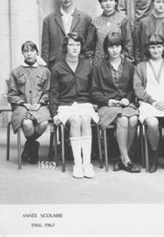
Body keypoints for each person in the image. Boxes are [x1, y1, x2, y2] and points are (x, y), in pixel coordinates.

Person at [50, 32, 98, 179]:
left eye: (77, 44)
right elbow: (53, 93)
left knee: (85, 119)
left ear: (81, 47)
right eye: (71, 44)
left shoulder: (87, 65)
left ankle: (87, 164)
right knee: (76, 121)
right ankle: (78, 164)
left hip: (84, 104)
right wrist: (54, 113)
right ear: (66, 46)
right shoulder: (57, 67)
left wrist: (96, 105)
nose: (75, 48)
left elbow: (93, 89)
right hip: (65, 106)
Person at [91, 32, 141, 173]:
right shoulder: (99, 67)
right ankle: (126, 160)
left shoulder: (130, 66)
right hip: (107, 106)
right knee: (123, 120)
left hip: (125, 104)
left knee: (134, 119)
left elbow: (133, 88)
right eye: (111, 46)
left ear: (122, 47)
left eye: (117, 46)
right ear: (106, 48)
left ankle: (121, 157)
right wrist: (108, 101)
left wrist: (128, 99)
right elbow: (94, 92)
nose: (114, 50)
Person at [134, 34, 164, 173]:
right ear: (148, 49)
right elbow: (138, 88)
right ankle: (154, 155)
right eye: (152, 47)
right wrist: (152, 102)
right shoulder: (141, 67)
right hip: (149, 103)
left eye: (158, 47)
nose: (155, 50)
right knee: (153, 123)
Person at [7, 41, 51, 164]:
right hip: (22, 106)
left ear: (37, 52)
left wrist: (41, 103)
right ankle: (33, 146)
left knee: (43, 124)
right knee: (27, 124)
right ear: (22, 53)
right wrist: (23, 103)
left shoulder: (45, 71)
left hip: (39, 106)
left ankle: (29, 146)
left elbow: (48, 92)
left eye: (32, 50)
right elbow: (11, 94)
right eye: (26, 51)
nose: (29, 53)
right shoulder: (16, 72)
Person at [41, 0, 92, 68]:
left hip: (79, 67)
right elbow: (45, 50)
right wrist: (45, 71)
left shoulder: (85, 18)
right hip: (56, 66)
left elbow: (89, 48)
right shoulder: (49, 20)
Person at [88, 0, 134, 65]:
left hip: (118, 65)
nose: (108, 3)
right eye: (104, 1)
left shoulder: (123, 19)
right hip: (99, 66)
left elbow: (128, 45)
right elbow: (89, 48)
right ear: (100, 3)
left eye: (111, 0)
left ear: (116, 2)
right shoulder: (95, 22)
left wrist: (127, 65)